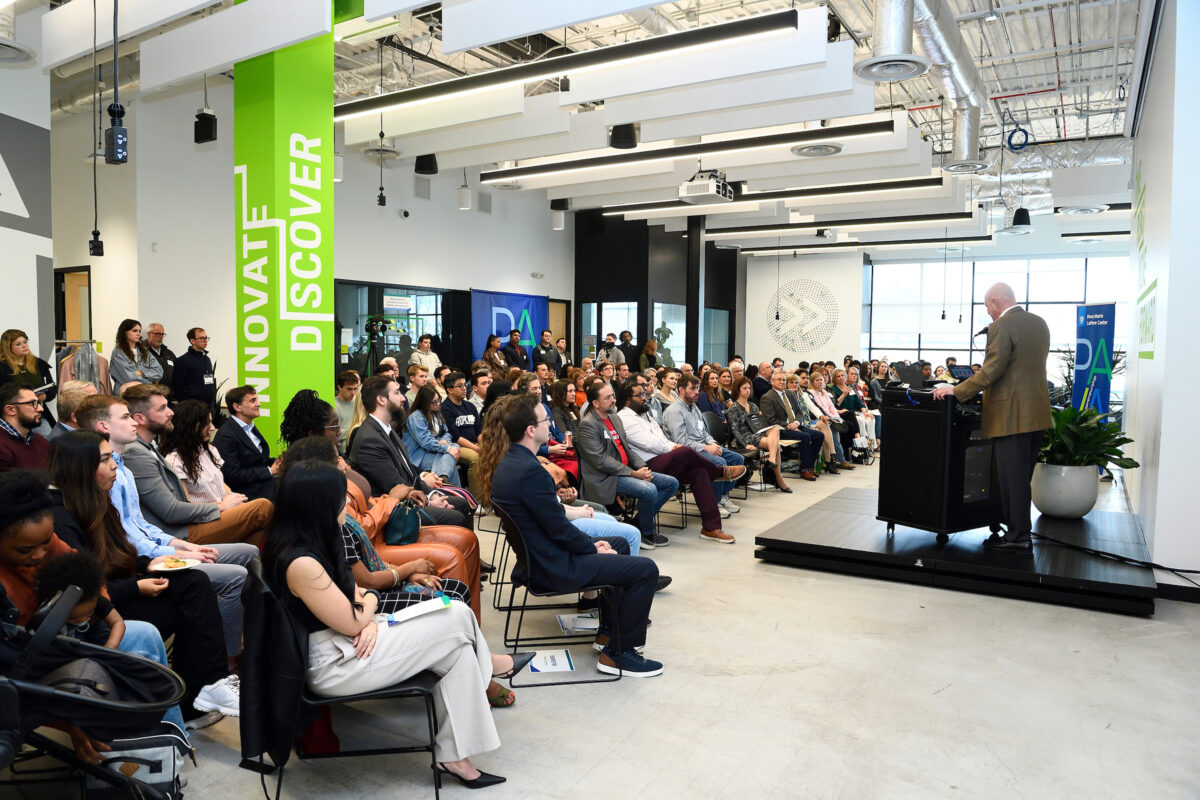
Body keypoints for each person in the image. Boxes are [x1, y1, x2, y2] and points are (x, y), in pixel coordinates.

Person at [262, 459, 513, 787]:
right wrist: (366, 610)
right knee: (457, 614)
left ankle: (455, 757)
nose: (347, 502)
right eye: (341, 496)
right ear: (320, 502)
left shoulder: (317, 538)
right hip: (337, 663)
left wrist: (363, 614)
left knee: (458, 651)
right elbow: (356, 610)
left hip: (351, 641)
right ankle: (489, 675)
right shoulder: (301, 561)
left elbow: (355, 596)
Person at [45, 434, 239, 727]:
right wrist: (136, 585)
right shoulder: (61, 518)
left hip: (117, 589)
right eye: (105, 460)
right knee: (189, 609)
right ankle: (199, 695)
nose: (114, 467)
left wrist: (149, 563)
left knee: (193, 581)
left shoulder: (93, 500)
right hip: (95, 614)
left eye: (113, 457)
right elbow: (81, 591)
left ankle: (208, 688)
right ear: (79, 468)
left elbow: (112, 557)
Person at [0, 469, 191, 742]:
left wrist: (91, 607)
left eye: (46, 542)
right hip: (31, 666)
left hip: (70, 643)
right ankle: (133, 743)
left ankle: (169, 742)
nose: (41, 554)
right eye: (25, 550)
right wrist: (72, 726)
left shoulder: (43, 541)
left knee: (146, 636)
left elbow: (89, 574)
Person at [485, 393, 664, 677]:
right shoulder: (532, 471)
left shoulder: (511, 463)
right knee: (645, 570)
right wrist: (591, 549)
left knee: (617, 543)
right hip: (552, 566)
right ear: (531, 430)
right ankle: (619, 655)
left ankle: (608, 634)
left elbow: (552, 528)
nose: (549, 424)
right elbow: (558, 530)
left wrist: (594, 545)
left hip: (540, 556)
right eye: (545, 420)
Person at [79, 394, 257, 664]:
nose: (132, 423)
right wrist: (177, 550)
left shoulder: (122, 467)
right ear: (104, 427)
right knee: (239, 565)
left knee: (250, 551)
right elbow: (134, 534)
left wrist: (185, 547)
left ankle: (242, 640)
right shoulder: (106, 472)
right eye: (125, 417)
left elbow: (140, 525)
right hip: (144, 560)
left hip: (161, 543)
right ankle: (229, 659)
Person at [933, 282, 1052, 552]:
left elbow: (992, 369)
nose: (987, 312)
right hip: (1036, 414)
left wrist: (957, 390)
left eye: (987, 306)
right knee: (1021, 478)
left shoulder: (1001, 326)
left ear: (996, 302)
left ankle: (1018, 537)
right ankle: (1017, 531)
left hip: (1010, 416)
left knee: (1011, 479)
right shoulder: (1039, 323)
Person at [120, 384, 274, 545]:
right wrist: (221, 506)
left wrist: (230, 500)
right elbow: (172, 511)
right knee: (262, 507)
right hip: (181, 532)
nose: (171, 412)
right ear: (139, 418)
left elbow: (219, 485)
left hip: (200, 520)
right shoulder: (139, 453)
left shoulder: (150, 447)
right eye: (162, 408)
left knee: (255, 538)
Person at [615, 380, 740, 542]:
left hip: (663, 458)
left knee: (699, 472)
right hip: (646, 464)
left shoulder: (646, 415)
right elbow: (649, 443)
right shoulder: (624, 418)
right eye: (639, 395)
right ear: (627, 400)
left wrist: (674, 447)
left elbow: (661, 438)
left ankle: (711, 527)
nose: (644, 398)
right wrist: (675, 449)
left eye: (644, 394)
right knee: (686, 451)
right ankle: (719, 472)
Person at [348, 375, 474, 529]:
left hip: (409, 497)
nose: (403, 399)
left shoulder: (386, 429)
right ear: (381, 400)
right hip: (395, 511)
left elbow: (408, 471)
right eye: (397, 393)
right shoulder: (370, 439)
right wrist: (429, 501)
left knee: (462, 503)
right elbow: (395, 486)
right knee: (456, 517)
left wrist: (432, 495)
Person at [576, 381, 678, 550]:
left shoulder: (614, 418)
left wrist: (643, 468)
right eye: (608, 398)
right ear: (595, 403)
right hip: (605, 477)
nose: (613, 400)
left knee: (671, 483)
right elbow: (600, 461)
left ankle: (637, 524)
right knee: (648, 490)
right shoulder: (588, 425)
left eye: (613, 396)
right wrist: (633, 473)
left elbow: (627, 449)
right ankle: (646, 532)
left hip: (625, 472)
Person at [661, 375, 745, 515]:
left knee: (737, 459)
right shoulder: (674, 411)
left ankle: (723, 496)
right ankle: (714, 503)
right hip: (688, 453)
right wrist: (706, 448)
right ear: (681, 389)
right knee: (720, 462)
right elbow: (681, 442)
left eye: (697, 388)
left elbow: (703, 431)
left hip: (704, 446)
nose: (696, 392)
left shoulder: (694, 407)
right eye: (692, 388)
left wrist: (712, 442)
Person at [212, 385, 279, 501]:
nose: (259, 404)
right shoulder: (226, 435)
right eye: (253, 401)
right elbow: (232, 474)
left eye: (257, 399)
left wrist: (279, 463)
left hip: (262, 483)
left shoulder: (250, 427)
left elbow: (259, 460)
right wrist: (270, 471)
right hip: (246, 491)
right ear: (237, 407)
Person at [727, 377, 794, 489]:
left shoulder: (753, 406)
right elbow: (735, 431)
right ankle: (779, 479)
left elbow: (760, 424)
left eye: (749, 388)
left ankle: (771, 459)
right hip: (746, 437)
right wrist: (745, 445)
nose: (748, 390)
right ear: (738, 390)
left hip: (757, 433)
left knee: (775, 429)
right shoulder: (733, 408)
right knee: (775, 445)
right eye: (744, 388)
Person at [403, 386, 461, 487]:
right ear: (424, 403)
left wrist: (444, 441)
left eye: (439, 400)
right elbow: (425, 442)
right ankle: (447, 483)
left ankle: (444, 478)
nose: (438, 404)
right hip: (418, 456)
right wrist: (446, 448)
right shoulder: (415, 416)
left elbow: (446, 432)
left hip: (432, 451)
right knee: (450, 459)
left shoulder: (436, 413)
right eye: (434, 402)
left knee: (454, 448)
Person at [0, 329, 57, 431]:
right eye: (18, 344)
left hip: (37, 414)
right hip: (12, 417)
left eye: (25, 342)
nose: (24, 345)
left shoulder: (39, 364)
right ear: (8, 348)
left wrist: (44, 396)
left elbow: (52, 389)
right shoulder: (2, 367)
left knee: (48, 440)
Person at [804, 371, 855, 471]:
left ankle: (836, 459)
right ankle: (838, 459)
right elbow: (815, 408)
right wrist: (827, 418)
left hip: (829, 417)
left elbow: (832, 407)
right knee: (833, 428)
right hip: (816, 419)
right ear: (812, 382)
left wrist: (837, 418)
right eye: (817, 380)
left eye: (821, 380)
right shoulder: (809, 393)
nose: (819, 382)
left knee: (841, 425)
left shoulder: (825, 393)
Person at [442, 372, 482, 496]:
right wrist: (476, 448)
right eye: (459, 386)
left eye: (464, 385)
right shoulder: (445, 408)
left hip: (474, 443)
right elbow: (455, 436)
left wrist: (484, 446)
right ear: (449, 390)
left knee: (495, 454)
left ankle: (493, 496)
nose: (464, 388)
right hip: (457, 446)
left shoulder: (470, 406)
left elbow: (479, 431)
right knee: (475, 458)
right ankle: (476, 501)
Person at [0, 383, 49, 471]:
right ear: (11, 410)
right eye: (32, 403)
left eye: (38, 403)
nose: (41, 409)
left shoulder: (41, 441)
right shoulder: (2, 447)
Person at [109, 319, 163, 390]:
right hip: (125, 395)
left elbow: (159, 372)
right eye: (135, 331)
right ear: (125, 332)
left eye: (139, 331)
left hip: (144, 394)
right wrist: (150, 383)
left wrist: (142, 373)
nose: (139, 334)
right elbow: (129, 378)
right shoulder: (118, 353)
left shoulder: (145, 351)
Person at [171, 327, 217, 408]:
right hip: (193, 408)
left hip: (209, 405)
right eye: (202, 338)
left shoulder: (207, 359)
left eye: (206, 338)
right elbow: (177, 386)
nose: (205, 340)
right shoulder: (183, 360)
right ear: (192, 341)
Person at [334, 370, 361, 452]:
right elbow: (336, 434)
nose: (353, 393)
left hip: (360, 441)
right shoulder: (334, 406)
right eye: (349, 389)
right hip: (345, 447)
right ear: (339, 387)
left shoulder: (358, 401)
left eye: (355, 389)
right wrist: (355, 430)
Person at [144, 323, 176, 388]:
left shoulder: (169, 353)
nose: (161, 336)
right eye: (158, 334)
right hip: (152, 393)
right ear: (149, 334)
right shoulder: (142, 351)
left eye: (162, 334)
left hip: (172, 394)